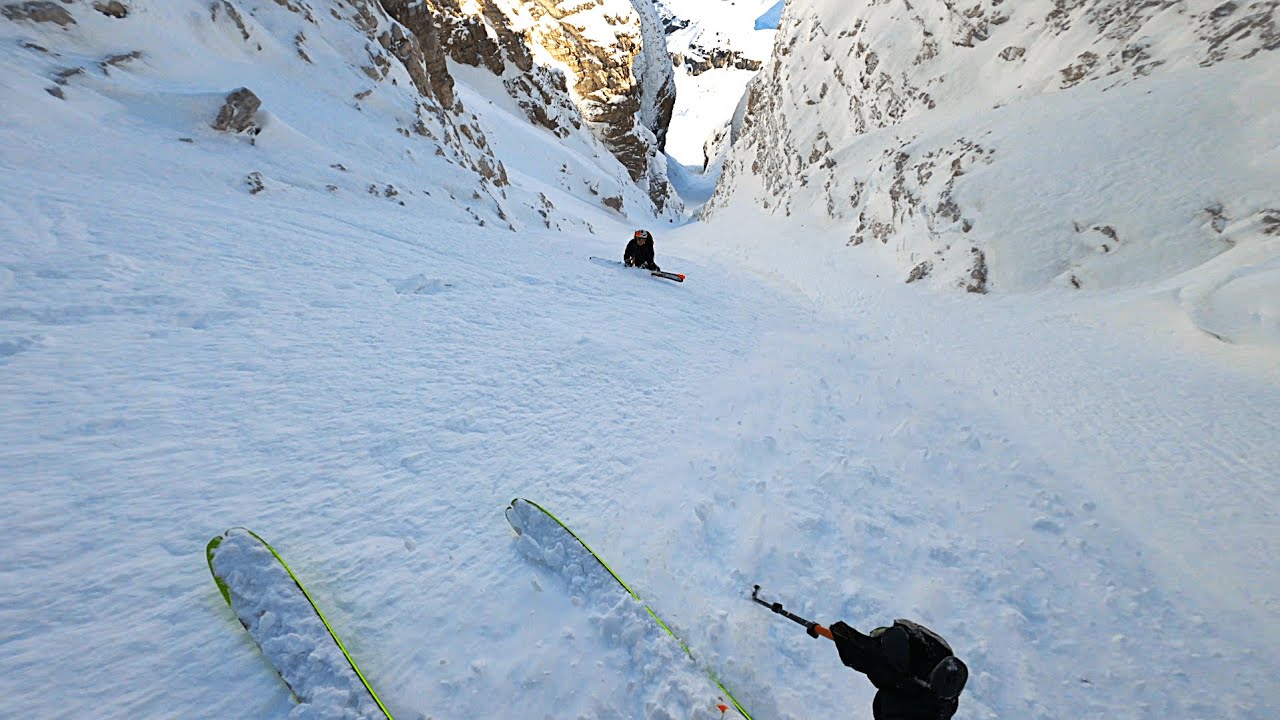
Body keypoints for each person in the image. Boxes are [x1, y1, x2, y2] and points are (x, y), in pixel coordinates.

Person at [828, 618, 969, 720]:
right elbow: (868, 652)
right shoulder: (935, 649)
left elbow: (865, 656)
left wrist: (846, 638)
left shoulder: (901, 694)